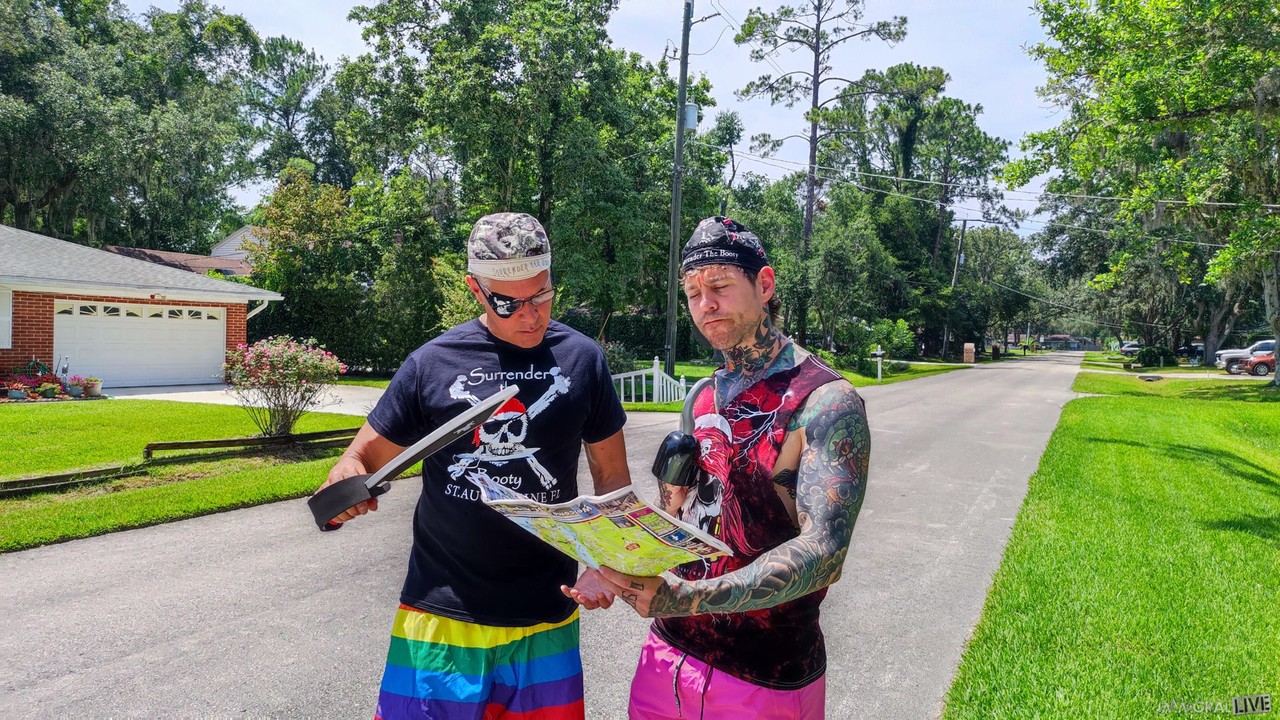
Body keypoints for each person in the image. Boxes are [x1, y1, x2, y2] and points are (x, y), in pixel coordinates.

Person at [317, 212, 630, 720]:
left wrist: (605, 562)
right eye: (508, 302)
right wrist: (346, 478)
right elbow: (361, 458)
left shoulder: (583, 360)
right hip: (441, 618)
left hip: (546, 616)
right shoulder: (432, 363)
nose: (530, 315)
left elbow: (612, 480)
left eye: (542, 295)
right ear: (475, 289)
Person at [568, 217, 871, 719]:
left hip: (763, 676)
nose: (705, 304)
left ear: (765, 284)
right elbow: (683, 522)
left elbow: (825, 552)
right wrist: (616, 568)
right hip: (667, 659)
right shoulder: (703, 396)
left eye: (720, 286)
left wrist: (689, 598)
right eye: (693, 293)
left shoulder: (823, 401)